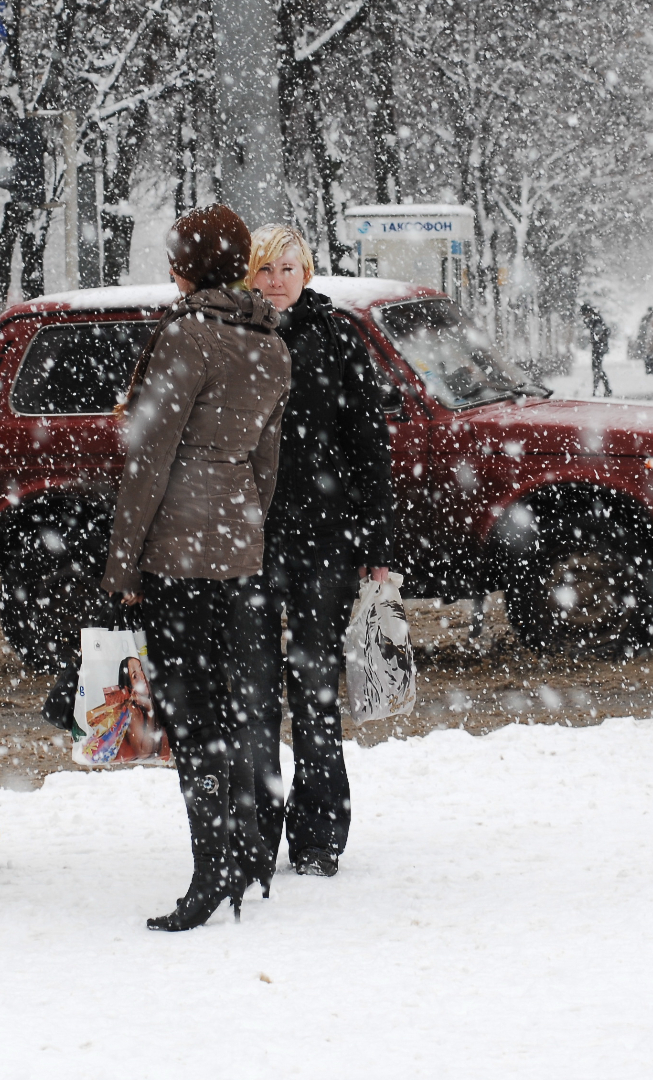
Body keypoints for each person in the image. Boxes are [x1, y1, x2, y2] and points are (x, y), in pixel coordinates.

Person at [101, 204, 291, 932]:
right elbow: (266, 465)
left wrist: (123, 562)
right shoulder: (269, 342)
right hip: (238, 546)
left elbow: (149, 460)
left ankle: (210, 868)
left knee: (191, 710)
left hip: (178, 550)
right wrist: (247, 532)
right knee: (241, 706)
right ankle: (243, 853)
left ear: (185, 266)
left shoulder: (187, 335)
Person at [242, 224, 397, 881]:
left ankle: (319, 834)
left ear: (305, 271)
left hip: (322, 541)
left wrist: (376, 538)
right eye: (263, 268)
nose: (276, 279)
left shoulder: (335, 338)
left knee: (313, 689)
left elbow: (369, 445)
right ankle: (252, 833)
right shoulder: (234, 338)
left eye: (287, 267)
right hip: (245, 540)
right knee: (250, 695)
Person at [580, 302, 612, 396]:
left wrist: (596, 340)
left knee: (597, 368)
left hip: (599, 348)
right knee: (597, 369)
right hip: (599, 347)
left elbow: (598, 333)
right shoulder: (595, 319)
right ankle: (602, 389)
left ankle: (600, 389)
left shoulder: (595, 320)